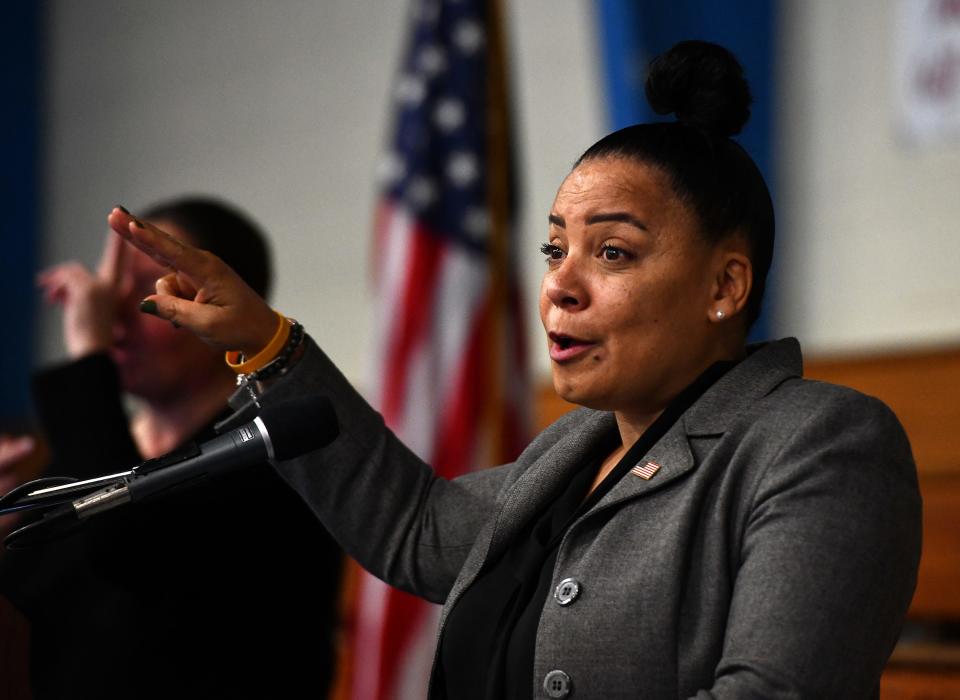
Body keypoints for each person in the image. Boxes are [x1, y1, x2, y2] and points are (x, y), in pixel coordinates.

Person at [104, 42, 921, 699]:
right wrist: (266, 341)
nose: (561, 284)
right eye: (554, 248)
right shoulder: (567, 454)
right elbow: (413, 529)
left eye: (612, 252)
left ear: (724, 286)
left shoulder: (819, 441)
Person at [0, 198, 343, 699]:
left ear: (221, 308)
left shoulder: (272, 451)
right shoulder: (77, 459)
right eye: (110, 288)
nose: (112, 311)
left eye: (142, 290)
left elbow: (128, 550)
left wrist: (88, 354)